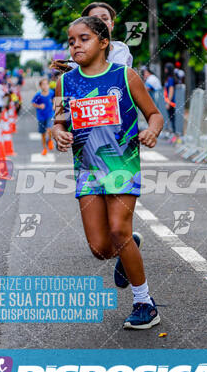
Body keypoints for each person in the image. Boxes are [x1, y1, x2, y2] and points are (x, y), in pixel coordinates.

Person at [51, 16, 164, 329]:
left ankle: (144, 303)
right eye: (71, 40)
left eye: (83, 38)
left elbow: (154, 114)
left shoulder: (125, 77)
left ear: (104, 43)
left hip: (121, 165)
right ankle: (128, 251)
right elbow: (59, 121)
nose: (75, 45)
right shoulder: (65, 82)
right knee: (100, 249)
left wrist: (152, 131)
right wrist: (58, 132)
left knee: (119, 229)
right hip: (87, 170)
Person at [67, 2, 133, 68]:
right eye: (94, 19)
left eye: (105, 18)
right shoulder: (79, 52)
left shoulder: (121, 48)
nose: (100, 22)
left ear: (112, 24)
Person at [31, 78, 55, 156]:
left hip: (50, 114)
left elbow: (55, 98)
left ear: (48, 85)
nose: (45, 86)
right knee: (43, 134)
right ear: (40, 86)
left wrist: (54, 105)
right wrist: (39, 106)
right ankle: (44, 148)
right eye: (43, 84)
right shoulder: (38, 95)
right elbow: (33, 103)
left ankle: (50, 140)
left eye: (46, 84)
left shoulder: (51, 92)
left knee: (49, 129)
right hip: (41, 116)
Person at [163, 62, 176, 133]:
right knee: (171, 118)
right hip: (169, 101)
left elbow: (171, 90)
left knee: (172, 118)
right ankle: (173, 133)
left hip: (171, 102)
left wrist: (168, 102)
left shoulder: (170, 79)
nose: (165, 70)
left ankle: (174, 134)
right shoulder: (168, 79)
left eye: (166, 68)